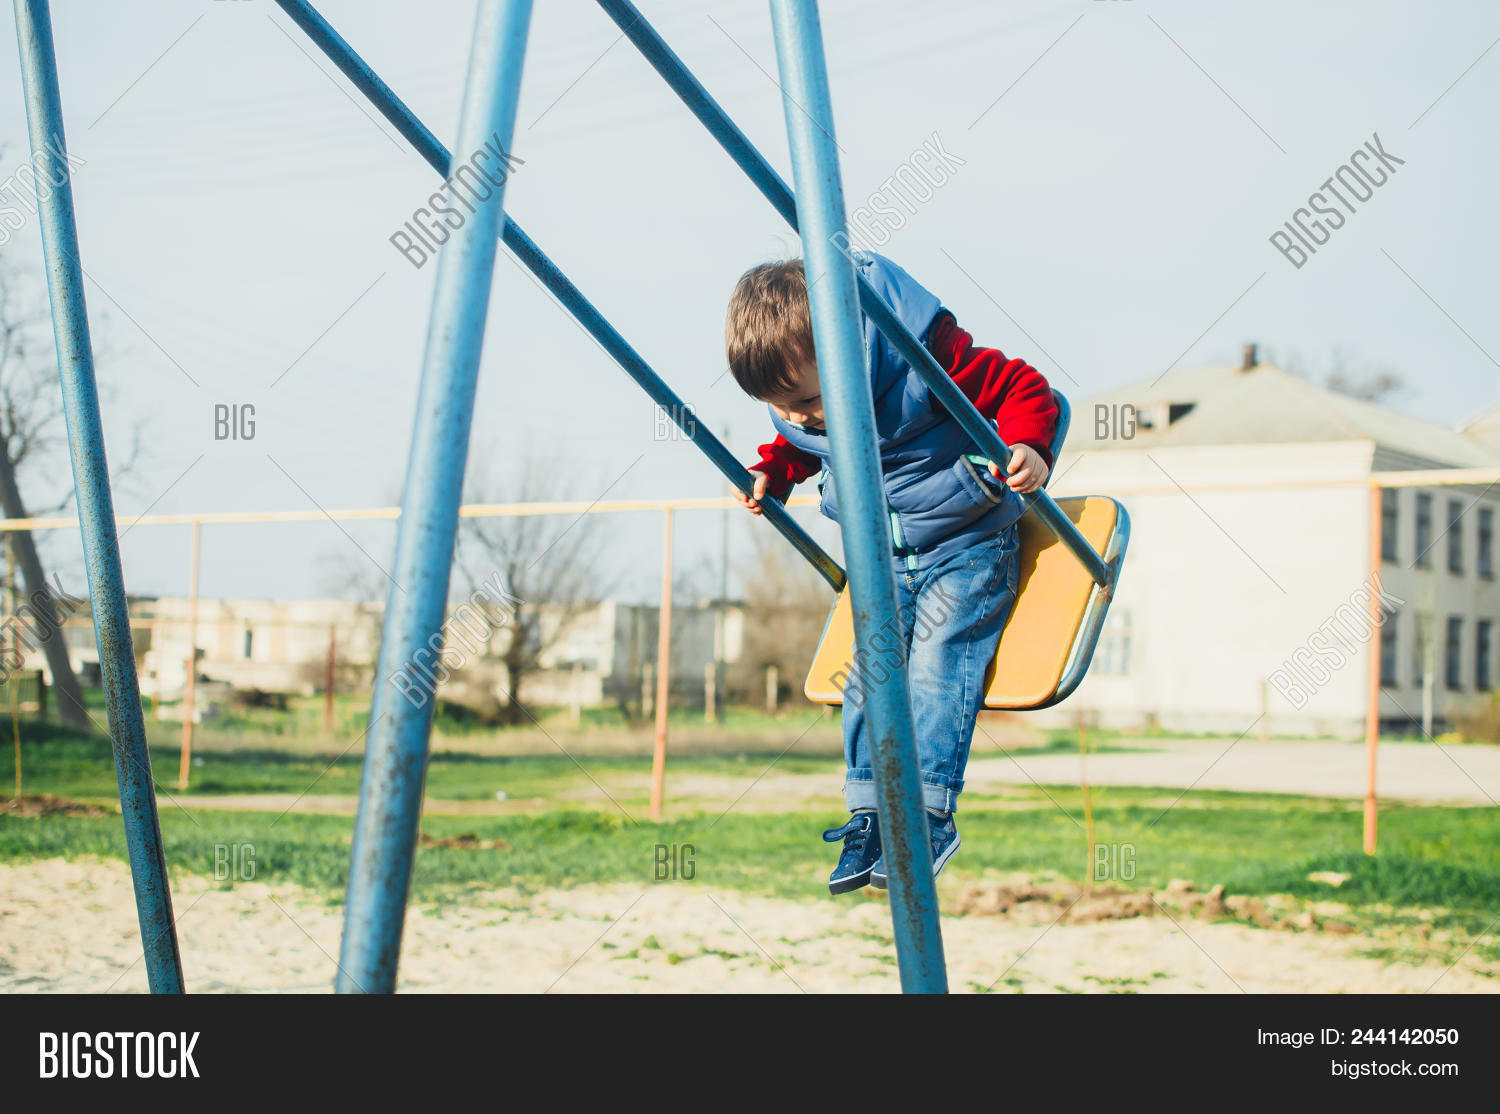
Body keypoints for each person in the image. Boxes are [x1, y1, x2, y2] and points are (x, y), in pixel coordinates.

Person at [725, 251, 1057, 894]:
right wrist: (772, 470)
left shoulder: (925, 363)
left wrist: (1028, 447)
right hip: (882, 562)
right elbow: (799, 444)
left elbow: (1023, 386)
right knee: (866, 678)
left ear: (852, 344)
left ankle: (929, 814)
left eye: (807, 400)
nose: (798, 416)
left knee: (937, 660)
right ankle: (869, 813)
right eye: (780, 405)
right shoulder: (803, 406)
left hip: (967, 544)